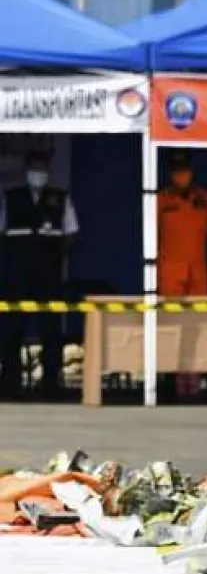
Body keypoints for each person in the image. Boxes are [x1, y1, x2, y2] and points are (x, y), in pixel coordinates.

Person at [0, 149, 78, 400]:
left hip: (48, 274)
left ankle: (51, 384)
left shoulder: (60, 198)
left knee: (51, 329)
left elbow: (71, 232)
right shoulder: (11, 198)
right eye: (35, 168)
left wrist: (54, 257)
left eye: (42, 169)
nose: (39, 174)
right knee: (12, 328)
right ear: (26, 170)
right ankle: (11, 383)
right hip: (17, 274)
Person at [158, 151, 207, 298]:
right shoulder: (160, 200)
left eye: (184, 170)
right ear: (170, 174)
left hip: (198, 274)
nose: (181, 176)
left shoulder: (204, 199)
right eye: (177, 171)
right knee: (171, 319)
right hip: (170, 275)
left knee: (201, 317)